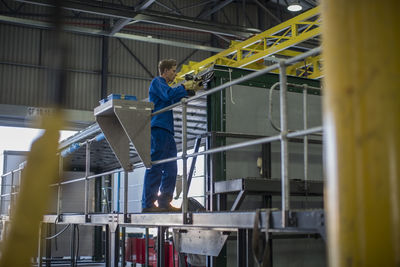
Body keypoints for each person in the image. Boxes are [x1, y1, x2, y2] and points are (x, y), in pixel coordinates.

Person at [142, 59, 200, 212]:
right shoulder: (157, 82)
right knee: (155, 166)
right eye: (174, 70)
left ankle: (164, 202)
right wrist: (183, 87)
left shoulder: (166, 87)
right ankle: (148, 204)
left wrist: (190, 90)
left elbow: (174, 96)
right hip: (158, 128)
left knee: (171, 168)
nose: (175, 73)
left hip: (167, 131)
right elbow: (168, 95)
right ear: (165, 71)